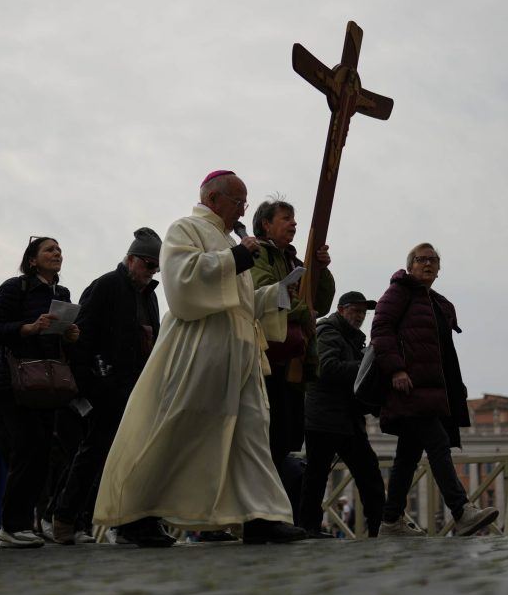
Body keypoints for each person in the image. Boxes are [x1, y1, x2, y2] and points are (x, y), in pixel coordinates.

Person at [93, 170, 306, 546]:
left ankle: (260, 516)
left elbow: (241, 303)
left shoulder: (228, 241)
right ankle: (134, 516)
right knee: (179, 427)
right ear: (213, 199)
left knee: (251, 433)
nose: (243, 209)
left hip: (241, 351)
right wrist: (236, 257)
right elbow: (181, 282)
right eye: (238, 201)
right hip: (200, 346)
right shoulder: (186, 229)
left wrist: (274, 294)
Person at [373, 243, 498, 537]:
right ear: (410, 265)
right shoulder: (399, 291)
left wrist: (457, 389)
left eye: (433, 260)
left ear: (439, 268)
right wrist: (397, 369)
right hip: (409, 387)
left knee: (407, 457)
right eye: (421, 259)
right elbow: (380, 329)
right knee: (439, 445)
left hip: (430, 390)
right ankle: (462, 511)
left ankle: (391, 521)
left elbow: (443, 353)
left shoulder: (437, 303)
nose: (427, 264)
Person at [49, 228, 162, 544]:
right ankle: (64, 519)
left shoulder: (149, 296)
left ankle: (109, 523)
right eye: (147, 263)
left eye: (155, 266)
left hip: (134, 390)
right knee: (93, 454)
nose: (151, 270)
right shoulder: (106, 286)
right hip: (105, 388)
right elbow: (80, 337)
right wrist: (91, 386)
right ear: (130, 259)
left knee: (124, 458)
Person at [0, 236, 80, 548]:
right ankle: (12, 525)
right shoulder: (15, 288)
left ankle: (24, 523)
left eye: (59, 249)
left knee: (42, 455)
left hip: (47, 384)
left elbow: (60, 340)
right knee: (26, 449)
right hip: (14, 383)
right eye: (49, 249)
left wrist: (70, 334)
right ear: (32, 260)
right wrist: (28, 328)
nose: (57, 253)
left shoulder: (63, 294)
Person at [250, 199, 334, 501]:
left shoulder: (296, 262)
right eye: (286, 218)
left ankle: (274, 512)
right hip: (269, 359)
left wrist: (321, 270)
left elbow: (320, 303)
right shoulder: (259, 254)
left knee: (285, 438)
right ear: (266, 225)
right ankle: (260, 514)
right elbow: (265, 290)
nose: (293, 224)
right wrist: (302, 311)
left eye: (294, 220)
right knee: (269, 439)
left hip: (294, 360)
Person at [298, 291, 385, 539]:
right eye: (355, 310)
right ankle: (309, 527)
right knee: (317, 474)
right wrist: (366, 366)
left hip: (345, 417)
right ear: (340, 309)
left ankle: (378, 526)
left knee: (367, 472)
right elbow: (327, 368)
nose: (359, 316)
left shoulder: (351, 338)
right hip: (324, 416)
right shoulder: (327, 331)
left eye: (362, 312)